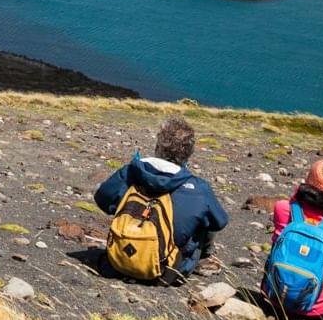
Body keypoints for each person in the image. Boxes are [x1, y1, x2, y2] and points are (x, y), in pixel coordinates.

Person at [94, 116, 228, 283]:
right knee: (206, 216)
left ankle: (131, 248)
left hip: (119, 257)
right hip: (168, 269)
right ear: (188, 153)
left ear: (158, 146)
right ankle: (201, 260)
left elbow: (102, 199)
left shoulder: (130, 172)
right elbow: (219, 222)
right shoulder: (198, 188)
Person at [264, 159, 323, 320]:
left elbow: (294, 202)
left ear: (307, 182)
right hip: (319, 309)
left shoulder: (282, 208)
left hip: (271, 298)